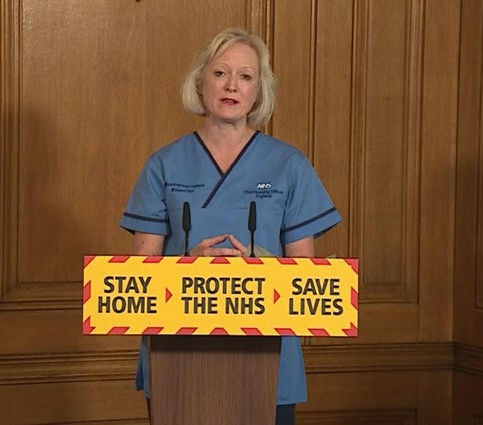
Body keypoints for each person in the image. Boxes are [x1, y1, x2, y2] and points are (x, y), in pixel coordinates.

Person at [119, 27, 342, 425]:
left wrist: (263, 265)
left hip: (268, 359)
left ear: (258, 91)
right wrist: (187, 264)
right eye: (220, 73)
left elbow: (307, 279)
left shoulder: (290, 166)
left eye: (246, 76)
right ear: (200, 82)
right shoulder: (162, 165)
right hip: (178, 359)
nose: (232, 86)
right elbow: (139, 276)